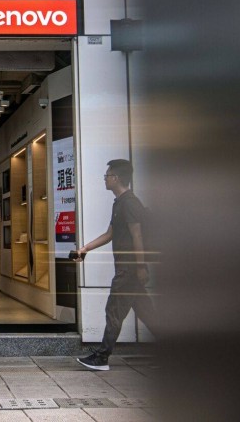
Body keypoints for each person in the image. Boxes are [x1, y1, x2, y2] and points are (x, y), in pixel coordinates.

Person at [75, 159, 159, 371]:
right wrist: (85, 249)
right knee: (147, 313)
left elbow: (137, 235)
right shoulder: (119, 203)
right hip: (129, 268)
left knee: (113, 310)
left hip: (129, 269)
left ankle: (102, 357)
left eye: (107, 175)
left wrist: (140, 267)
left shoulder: (129, 203)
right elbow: (109, 234)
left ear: (117, 178)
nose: (105, 179)